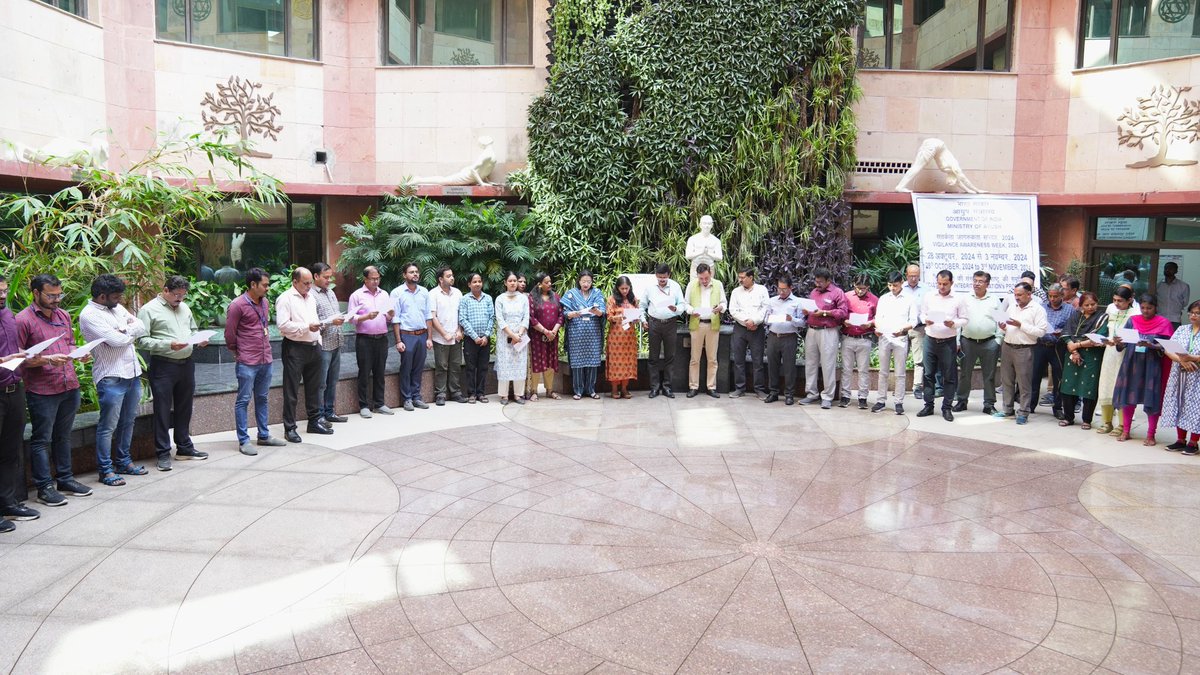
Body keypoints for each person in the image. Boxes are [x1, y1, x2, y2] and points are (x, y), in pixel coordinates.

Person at [17, 274, 92, 506]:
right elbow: (18, 358)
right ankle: (44, 487)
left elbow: (69, 342)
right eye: (51, 295)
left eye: (59, 294)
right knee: (42, 439)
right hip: (42, 389)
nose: (56, 299)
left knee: (63, 436)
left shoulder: (63, 315)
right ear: (36, 293)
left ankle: (65, 479)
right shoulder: (23, 320)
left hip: (68, 383)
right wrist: (47, 360)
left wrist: (79, 353)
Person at [80, 274, 149, 485]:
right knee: (108, 426)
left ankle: (124, 462)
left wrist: (125, 329)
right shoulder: (89, 315)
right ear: (102, 296)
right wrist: (126, 331)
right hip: (110, 376)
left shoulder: (116, 308)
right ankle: (106, 470)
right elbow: (117, 341)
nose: (120, 300)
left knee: (128, 421)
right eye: (117, 296)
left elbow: (141, 325)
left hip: (132, 374)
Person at [136, 275, 210, 472]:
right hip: (163, 365)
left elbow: (193, 328)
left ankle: (184, 447)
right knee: (162, 410)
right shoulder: (148, 310)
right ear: (165, 291)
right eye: (176, 295)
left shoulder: (184, 307)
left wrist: (199, 339)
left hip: (186, 364)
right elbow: (141, 340)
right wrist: (167, 344)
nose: (180, 299)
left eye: (183, 295)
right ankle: (162, 452)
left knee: (185, 407)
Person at [225, 267, 286, 455]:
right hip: (247, 361)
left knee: (262, 398)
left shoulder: (265, 302)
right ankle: (244, 440)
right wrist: (239, 353)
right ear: (253, 284)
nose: (268, 288)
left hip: (265, 358)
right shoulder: (237, 305)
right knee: (243, 400)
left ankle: (264, 435)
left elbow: (264, 326)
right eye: (265, 285)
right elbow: (229, 335)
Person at [276, 267, 332, 442]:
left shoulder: (311, 298)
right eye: (305, 283)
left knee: (314, 388)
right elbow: (283, 325)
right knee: (291, 389)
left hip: (314, 346)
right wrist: (307, 327)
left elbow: (313, 320)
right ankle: (290, 428)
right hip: (295, 347)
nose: (309, 286)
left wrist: (318, 331)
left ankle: (314, 421)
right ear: (295, 282)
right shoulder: (285, 299)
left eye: (310, 283)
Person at [0, 275, 37, 529]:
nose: (2, 296)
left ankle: (7, 503)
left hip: (14, 390)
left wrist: (23, 356)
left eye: (3, 291)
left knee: (10, 451)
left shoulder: (8, 314)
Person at [1112, 294, 1174, 446]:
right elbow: (1122, 345)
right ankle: (1126, 430)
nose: (1145, 311)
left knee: (1151, 397)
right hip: (1132, 363)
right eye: (1143, 308)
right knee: (1128, 395)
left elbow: (1169, 347)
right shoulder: (1133, 321)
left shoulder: (1164, 323)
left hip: (1152, 365)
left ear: (1156, 308)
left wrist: (1153, 346)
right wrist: (1117, 342)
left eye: (1149, 308)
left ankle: (1151, 434)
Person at [995, 282, 1049, 425]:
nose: (1016, 298)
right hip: (1008, 346)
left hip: (1025, 349)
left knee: (1024, 383)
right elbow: (1007, 325)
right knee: (1007, 380)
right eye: (1015, 295)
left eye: (1019, 295)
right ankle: (1007, 409)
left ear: (1029, 294)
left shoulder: (1037, 309)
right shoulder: (1012, 306)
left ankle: (1024, 412)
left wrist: (1020, 325)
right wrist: (1003, 327)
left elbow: (1041, 331)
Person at [916, 270, 966, 421]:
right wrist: (926, 320)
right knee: (928, 374)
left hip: (948, 342)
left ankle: (947, 407)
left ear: (951, 283)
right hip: (930, 339)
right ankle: (928, 405)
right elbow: (922, 314)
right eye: (939, 283)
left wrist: (954, 323)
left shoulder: (958, 299)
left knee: (949, 376)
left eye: (945, 284)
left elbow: (964, 319)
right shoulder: (929, 296)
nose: (942, 287)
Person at [347, 266, 395, 418]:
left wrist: (391, 314)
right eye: (373, 279)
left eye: (378, 278)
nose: (376, 281)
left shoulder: (384, 294)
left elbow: (388, 317)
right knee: (364, 372)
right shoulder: (357, 295)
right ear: (365, 279)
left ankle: (379, 403)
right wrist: (365, 317)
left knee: (380, 371)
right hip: (365, 339)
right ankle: (364, 405)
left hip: (382, 338)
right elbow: (350, 318)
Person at [955, 270, 1002, 415]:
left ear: (987, 283)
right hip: (967, 342)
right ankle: (962, 401)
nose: (977, 283)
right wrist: (958, 340)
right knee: (964, 373)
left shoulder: (994, 300)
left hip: (989, 343)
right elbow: (959, 319)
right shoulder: (965, 298)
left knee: (990, 375)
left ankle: (989, 404)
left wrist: (998, 340)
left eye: (980, 281)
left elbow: (1001, 321)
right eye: (975, 280)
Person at [799, 267, 848, 409]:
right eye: (816, 281)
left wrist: (825, 313)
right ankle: (811, 393)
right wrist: (806, 311)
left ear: (828, 281)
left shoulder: (837, 293)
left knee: (828, 364)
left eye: (820, 282)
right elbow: (810, 309)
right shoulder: (814, 292)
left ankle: (827, 396)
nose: (817, 284)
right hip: (812, 330)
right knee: (811, 363)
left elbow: (843, 312)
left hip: (828, 331)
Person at [1059, 292, 1108, 429]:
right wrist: (1074, 350)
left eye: (1093, 304)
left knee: (1089, 386)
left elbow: (1099, 337)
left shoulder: (1102, 317)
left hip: (1092, 356)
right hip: (1072, 355)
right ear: (1081, 306)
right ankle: (1068, 417)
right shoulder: (1075, 316)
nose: (1090, 307)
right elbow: (1066, 333)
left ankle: (1087, 420)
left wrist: (1077, 345)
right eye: (1086, 305)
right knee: (1068, 385)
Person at [1031, 284, 1079, 419]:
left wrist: (1062, 333)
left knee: (1059, 377)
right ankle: (1031, 405)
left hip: (1058, 347)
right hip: (1040, 344)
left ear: (1062, 295)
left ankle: (1057, 407)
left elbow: (1072, 328)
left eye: (1055, 296)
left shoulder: (1069, 309)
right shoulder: (1042, 307)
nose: (1052, 299)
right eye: (1050, 296)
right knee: (1035, 376)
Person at [640, 264, 688, 399]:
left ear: (669, 275)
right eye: (660, 277)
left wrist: (676, 309)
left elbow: (682, 305)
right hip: (654, 323)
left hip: (670, 324)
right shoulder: (650, 288)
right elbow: (642, 306)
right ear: (656, 275)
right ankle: (654, 387)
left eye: (664, 277)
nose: (662, 280)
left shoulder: (675, 286)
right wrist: (643, 320)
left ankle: (667, 387)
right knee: (653, 357)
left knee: (670, 356)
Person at [873, 271, 917, 415]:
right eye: (890, 285)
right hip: (885, 337)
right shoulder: (884, 298)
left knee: (900, 373)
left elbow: (914, 320)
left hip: (900, 338)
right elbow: (878, 317)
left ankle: (899, 402)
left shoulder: (910, 299)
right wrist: (877, 329)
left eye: (896, 285)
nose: (892, 288)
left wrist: (903, 329)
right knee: (883, 372)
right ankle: (880, 400)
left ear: (902, 283)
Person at [391, 262, 432, 412]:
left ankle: (416, 396)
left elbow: (428, 315)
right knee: (406, 368)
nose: (415, 274)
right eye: (411, 272)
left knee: (418, 368)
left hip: (422, 335)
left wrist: (429, 337)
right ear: (404, 275)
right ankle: (407, 398)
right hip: (406, 335)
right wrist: (398, 340)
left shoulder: (424, 292)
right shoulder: (397, 293)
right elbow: (395, 318)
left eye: (416, 272)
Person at [1096, 287, 1136, 435]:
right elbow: (1106, 330)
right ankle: (1106, 422)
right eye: (1114, 300)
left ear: (1130, 300)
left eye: (1120, 301)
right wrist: (1105, 340)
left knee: (1122, 387)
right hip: (1109, 353)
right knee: (1106, 385)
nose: (1116, 303)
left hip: (1125, 354)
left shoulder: (1135, 314)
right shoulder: (1111, 310)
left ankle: (1122, 425)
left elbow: (1134, 338)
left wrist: (1121, 342)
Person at [1162, 300, 1200, 454]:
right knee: (1179, 402)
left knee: (1196, 407)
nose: (1193, 315)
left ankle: (1193, 442)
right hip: (1179, 373)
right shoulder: (1182, 330)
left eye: (1197, 313)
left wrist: (1191, 358)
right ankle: (1180, 439)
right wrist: (1181, 361)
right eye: (1191, 312)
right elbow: (1168, 349)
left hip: (1197, 376)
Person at [311, 262, 347, 424]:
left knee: (333, 381)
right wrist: (332, 322)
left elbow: (334, 314)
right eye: (325, 277)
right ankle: (318, 415)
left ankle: (330, 412)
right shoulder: (311, 295)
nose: (329, 280)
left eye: (330, 277)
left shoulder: (331, 293)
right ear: (315, 276)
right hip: (323, 345)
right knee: (321, 383)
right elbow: (313, 322)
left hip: (336, 342)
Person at [684, 263, 726, 398]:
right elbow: (685, 304)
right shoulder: (692, 285)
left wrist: (720, 308)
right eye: (701, 278)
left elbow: (724, 303)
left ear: (711, 273)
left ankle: (711, 387)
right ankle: (693, 386)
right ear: (697, 276)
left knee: (712, 358)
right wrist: (692, 311)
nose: (704, 281)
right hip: (697, 324)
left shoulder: (718, 284)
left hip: (712, 325)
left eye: (706, 278)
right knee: (695, 358)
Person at [562, 270, 606, 400]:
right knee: (577, 363)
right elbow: (564, 312)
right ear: (579, 281)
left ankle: (591, 390)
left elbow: (602, 313)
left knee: (592, 362)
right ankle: (578, 390)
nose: (586, 284)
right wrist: (570, 314)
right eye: (583, 281)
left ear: (592, 282)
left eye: (588, 281)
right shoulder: (571, 293)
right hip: (576, 332)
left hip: (593, 332)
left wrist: (597, 311)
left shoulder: (597, 293)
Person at [763, 277, 805, 404]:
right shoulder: (772, 301)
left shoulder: (797, 302)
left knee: (789, 367)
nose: (781, 292)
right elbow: (765, 319)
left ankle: (789, 394)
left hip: (789, 337)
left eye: (784, 289)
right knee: (772, 365)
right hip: (773, 336)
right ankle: (773, 392)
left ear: (790, 288)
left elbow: (802, 323)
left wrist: (791, 319)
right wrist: (769, 318)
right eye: (779, 289)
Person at [728, 267, 769, 398]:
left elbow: (765, 308)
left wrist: (754, 321)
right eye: (739, 277)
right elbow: (733, 310)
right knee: (738, 359)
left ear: (751, 277)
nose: (740, 280)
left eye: (743, 277)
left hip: (757, 329)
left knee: (758, 361)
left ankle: (759, 389)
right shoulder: (736, 292)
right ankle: (739, 388)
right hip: (740, 328)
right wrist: (746, 321)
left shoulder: (762, 290)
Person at [428, 266, 466, 406]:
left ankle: (455, 392)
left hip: (456, 336)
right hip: (440, 338)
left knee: (456, 365)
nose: (452, 278)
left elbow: (461, 314)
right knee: (441, 366)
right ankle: (441, 394)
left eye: (452, 275)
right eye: (448, 276)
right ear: (440, 279)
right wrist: (444, 333)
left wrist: (460, 331)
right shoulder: (433, 294)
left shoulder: (457, 293)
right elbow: (432, 316)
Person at [839, 275, 877, 409]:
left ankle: (862, 397)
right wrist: (844, 321)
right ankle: (845, 396)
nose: (860, 291)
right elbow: (841, 313)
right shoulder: (847, 296)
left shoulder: (874, 299)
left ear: (868, 288)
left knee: (863, 370)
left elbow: (879, 317)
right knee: (846, 369)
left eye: (863, 289)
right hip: (848, 336)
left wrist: (870, 323)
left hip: (864, 337)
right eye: (858, 288)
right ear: (853, 285)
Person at [459, 272, 495, 403]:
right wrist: (475, 337)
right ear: (469, 284)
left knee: (483, 367)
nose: (477, 284)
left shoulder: (488, 298)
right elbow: (462, 319)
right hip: (470, 340)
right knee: (470, 367)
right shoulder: (465, 299)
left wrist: (486, 335)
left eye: (479, 281)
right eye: (474, 282)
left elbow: (492, 318)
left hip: (485, 340)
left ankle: (481, 393)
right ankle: (471, 394)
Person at [494, 272, 529, 405]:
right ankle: (504, 396)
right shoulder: (500, 299)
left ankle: (518, 395)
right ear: (505, 283)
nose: (513, 283)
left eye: (515, 280)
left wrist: (519, 334)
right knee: (505, 365)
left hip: (520, 337)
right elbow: (500, 319)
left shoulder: (523, 298)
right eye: (510, 281)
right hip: (505, 337)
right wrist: (512, 335)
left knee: (519, 364)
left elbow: (526, 317)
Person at [527, 272, 562, 401]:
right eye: (546, 282)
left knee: (550, 362)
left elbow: (561, 315)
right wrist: (545, 331)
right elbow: (531, 318)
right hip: (537, 336)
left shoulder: (556, 297)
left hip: (553, 336)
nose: (549, 284)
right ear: (539, 284)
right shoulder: (532, 298)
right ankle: (534, 391)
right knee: (537, 362)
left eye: (550, 282)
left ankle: (550, 390)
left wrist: (553, 331)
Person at [900, 264, 931, 400]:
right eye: (911, 276)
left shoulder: (926, 289)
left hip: (919, 328)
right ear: (906, 275)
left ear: (920, 275)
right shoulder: (900, 288)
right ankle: (899, 387)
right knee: (901, 358)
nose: (913, 278)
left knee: (919, 360)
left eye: (916, 276)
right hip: (902, 328)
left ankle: (917, 387)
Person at [606, 276, 640, 398]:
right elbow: (609, 317)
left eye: (626, 288)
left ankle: (625, 389)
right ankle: (614, 389)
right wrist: (620, 315)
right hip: (616, 336)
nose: (624, 291)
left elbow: (637, 315)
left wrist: (635, 318)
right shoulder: (612, 299)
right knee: (616, 362)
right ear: (617, 288)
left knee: (627, 362)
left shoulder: (633, 299)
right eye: (622, 288)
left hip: (629, 336)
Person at [1159, 262, 1190, 329]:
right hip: (1160, 318)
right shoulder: (1158, 285)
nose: (1167, 270)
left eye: (1170, 268)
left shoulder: (1184, 286)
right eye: (1166, 268)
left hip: (1175, 319)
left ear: (1176, 271)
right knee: (1158, 339)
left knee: (1173, 338)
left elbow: (1185, 302)